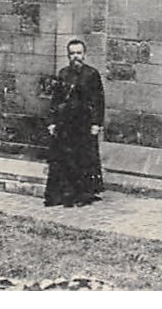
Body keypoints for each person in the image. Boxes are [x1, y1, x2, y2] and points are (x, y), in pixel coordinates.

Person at [44, 38, 105, 207]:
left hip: (83, 124)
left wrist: (96, 123)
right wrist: (52, 122)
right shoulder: (63, 74)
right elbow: (55, 100)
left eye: (79, 53)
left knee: (83, 159)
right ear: (68, 55)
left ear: (84, 55)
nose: (76, 57)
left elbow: (98, 101)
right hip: (65, 124)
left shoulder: (92, 74)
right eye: (72, 54)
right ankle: (64, 194)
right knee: (65, 159)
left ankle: (83, 195)